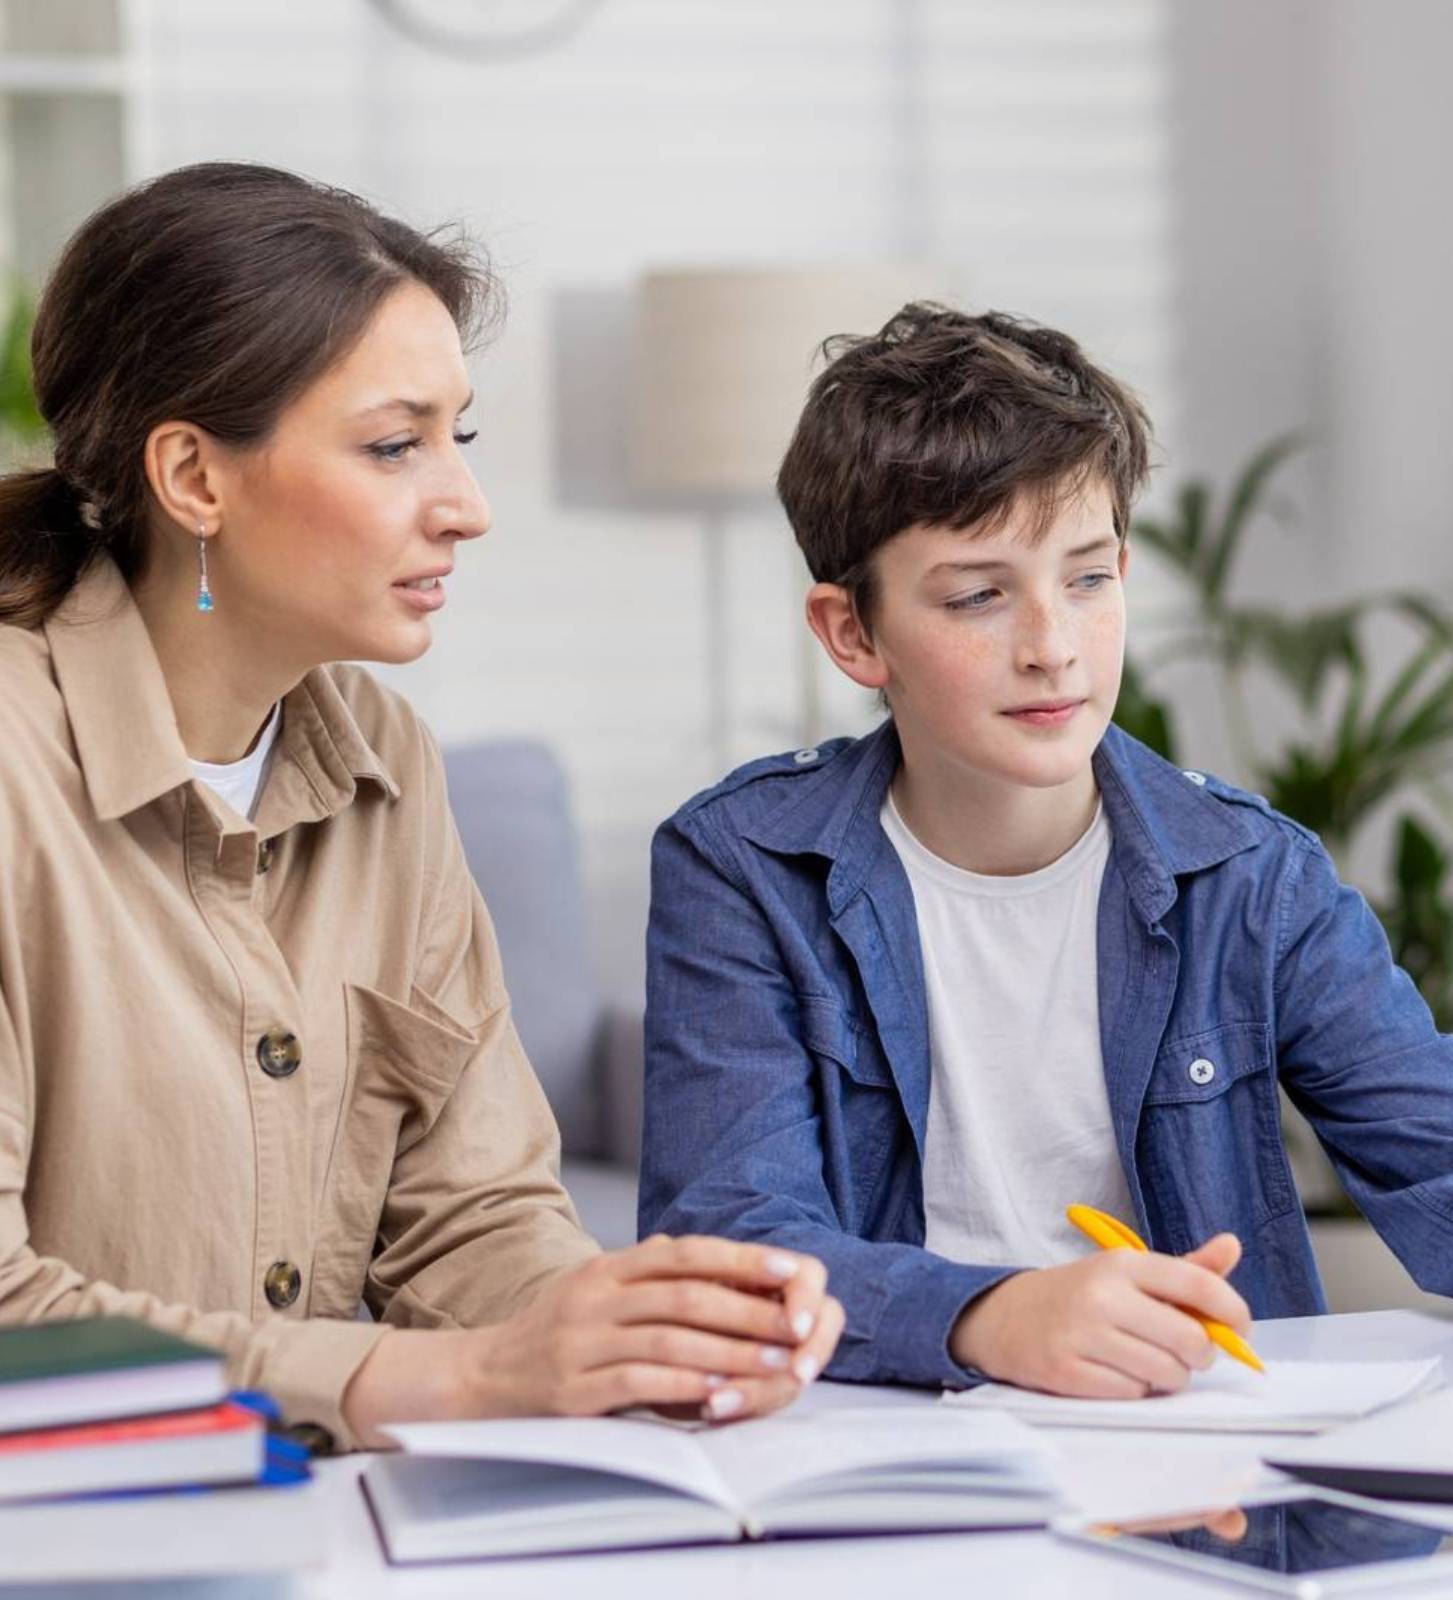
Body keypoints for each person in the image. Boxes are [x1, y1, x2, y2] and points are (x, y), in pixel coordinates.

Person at [0, 162, 841, 1453]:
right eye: (396, 445)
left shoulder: (386, 762)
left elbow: (474, 1211)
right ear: (194, 477)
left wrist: (633, 1338)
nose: (468, 508)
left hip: (331, 1515)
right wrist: (445, 1381)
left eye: (461, 439)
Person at [639, 303, 1453, 1400]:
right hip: (890, 1440)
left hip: (1205, 1445)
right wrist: (989, 1315)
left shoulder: (1252, 876)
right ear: (853, 632)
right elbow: (733, 1242)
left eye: (1088, 579)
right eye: (978, 595)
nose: (1053, 648)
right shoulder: (743, 866)